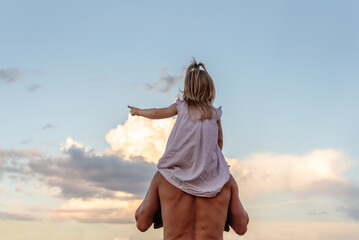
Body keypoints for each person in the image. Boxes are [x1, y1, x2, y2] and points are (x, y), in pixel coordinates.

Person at [129, 59, 249, 237]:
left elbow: (142, 222)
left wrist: (138, 111)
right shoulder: (226, 182)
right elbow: (241, 227)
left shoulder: (163, 178)